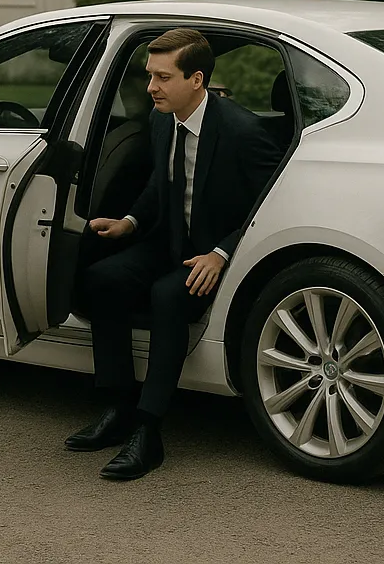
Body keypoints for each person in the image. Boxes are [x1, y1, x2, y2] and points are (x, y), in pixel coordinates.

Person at [68, 28, 284, 480]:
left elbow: (273, 204)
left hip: (217, 255)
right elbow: (160, 184)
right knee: (102, 280)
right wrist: (128, 222)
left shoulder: (244, 132)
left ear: (197, 80)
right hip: (165, 242)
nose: (151, 87)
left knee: (169, 297)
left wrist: (222, 252)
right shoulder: (161, 119)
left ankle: (148, 432)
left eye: (163, 78)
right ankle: (118, 406)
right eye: (150, 76)